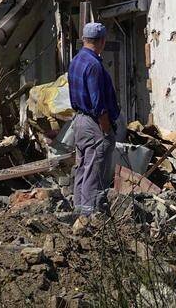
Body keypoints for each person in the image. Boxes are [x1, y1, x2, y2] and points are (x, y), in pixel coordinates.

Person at [67, 22, 119, 214]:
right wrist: (105, 129)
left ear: (84, 40)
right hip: (93, 122)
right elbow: (98, 102)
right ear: (102, 41)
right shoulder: (94, 64)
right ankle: (89, 215)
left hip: (79, 121)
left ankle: (78, 211)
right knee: (94, 170)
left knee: (82, 167)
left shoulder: (76, 61)